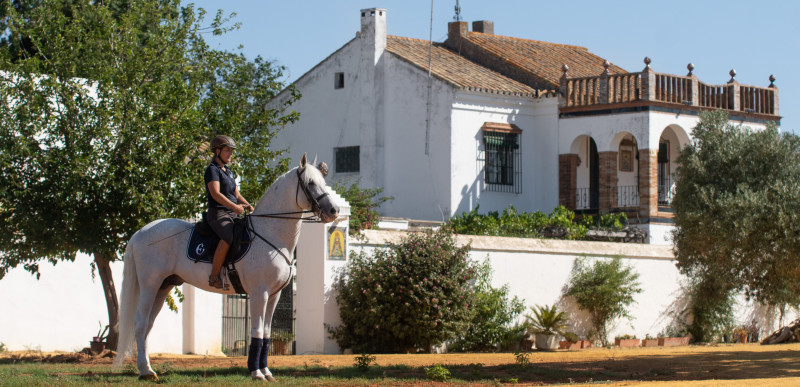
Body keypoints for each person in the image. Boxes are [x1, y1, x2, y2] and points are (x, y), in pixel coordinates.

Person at [205, 135, 253, 289]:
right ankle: (213, 277)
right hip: (218, 213)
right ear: (217, 151)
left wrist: (249, 206)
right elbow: (215, 194)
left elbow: (237, 195)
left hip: (232, 212)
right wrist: (234, 206)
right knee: (228, 237)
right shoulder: (212, 170)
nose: (230, 154)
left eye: (232, 151)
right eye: (227, 150)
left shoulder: (229, 171)